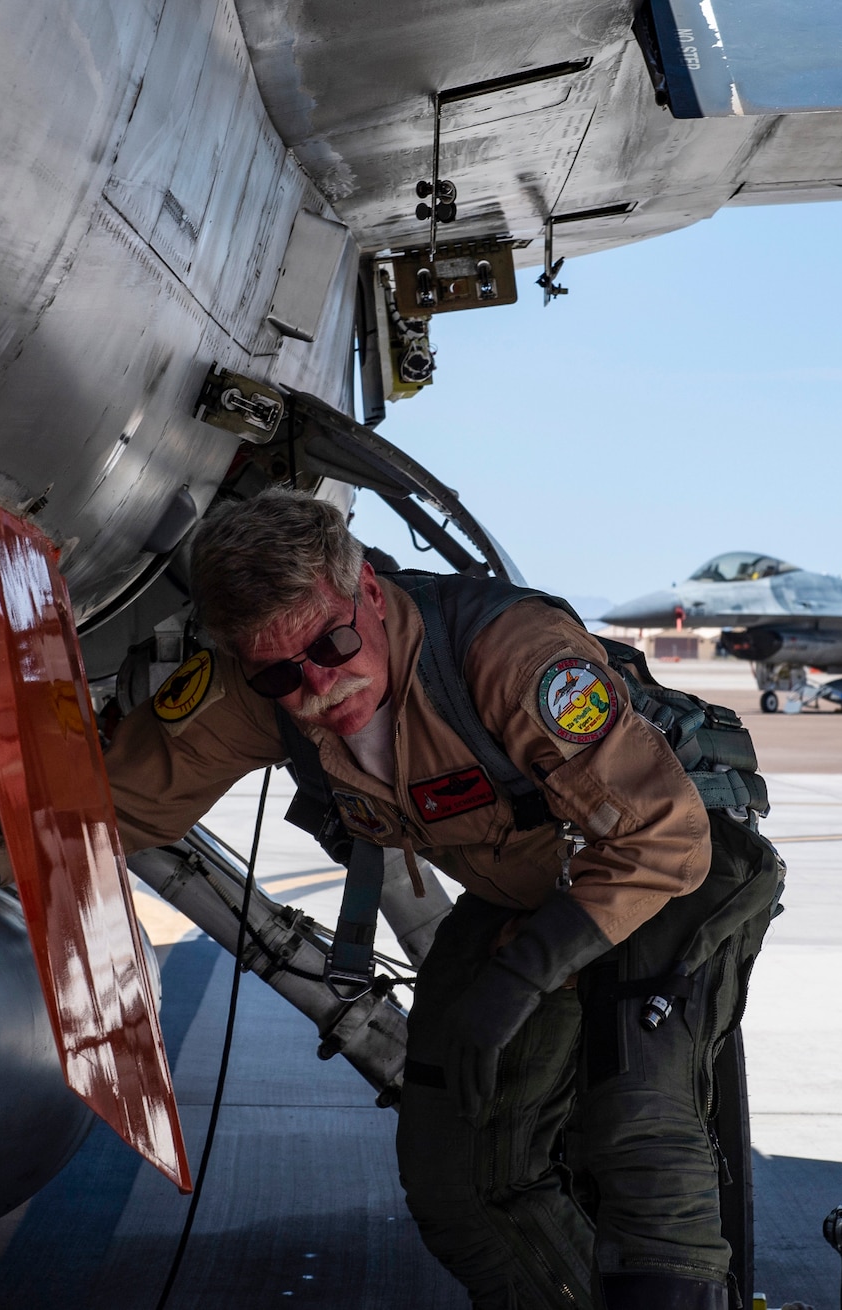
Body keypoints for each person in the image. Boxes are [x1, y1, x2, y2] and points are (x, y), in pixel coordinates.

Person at [105, 489, 732, 1310]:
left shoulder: (503, 650)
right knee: (456, 1184)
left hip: (675, 870)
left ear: (366, 589)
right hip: (522, 894)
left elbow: (664, 837)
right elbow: (110, 801)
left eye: (332, 644)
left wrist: (519, 980)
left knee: (633, 1125)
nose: (319, 686)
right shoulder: (262, 683)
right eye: (282, 673)